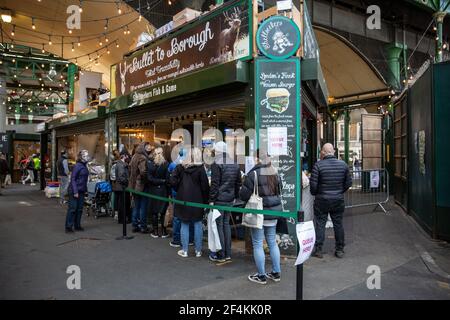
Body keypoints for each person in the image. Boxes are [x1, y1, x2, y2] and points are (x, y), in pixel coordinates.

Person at [239, 150, 283, 285]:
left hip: (258, 213)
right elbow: (280, 190)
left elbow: (243, 195)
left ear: (257, 158)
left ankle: (261, 275)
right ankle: (276, 272)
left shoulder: (253, 174)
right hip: (274, 213)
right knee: (272, 242)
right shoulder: (275, 172)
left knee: (257, 243)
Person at [310, 143, 352, 259]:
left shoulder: (318, 166)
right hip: (338, 200)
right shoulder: (343, 165)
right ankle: (339, 249)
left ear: (323, 152)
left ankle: (318, 249)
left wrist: (318, 193)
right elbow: (348, 183)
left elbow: (313, 187)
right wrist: (339, 191)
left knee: (320, 224)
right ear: (333, 152)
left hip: (321, 201)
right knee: (338, 224)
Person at [170, 148, 210, 258]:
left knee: (184, 224)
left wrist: (179, 188)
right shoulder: (201, 168)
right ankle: (198, 251)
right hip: (198, 200)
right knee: (197, 224)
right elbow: (205, 186)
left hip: (183, 198)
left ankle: (185, 250)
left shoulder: (180, 167)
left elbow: (172, 181)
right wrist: (206, 200)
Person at [209, 141, 241, 263]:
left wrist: (211, 200)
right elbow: (238, 182)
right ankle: (228, 253)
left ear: (217, 151)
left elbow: (215, 184)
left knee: (219, 225)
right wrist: (235, 196)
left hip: (219, 199)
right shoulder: (234, 163)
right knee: (226, 224)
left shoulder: (216, 163)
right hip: (230, 199)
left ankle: (221, 254)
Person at [168, 148, 195, 248]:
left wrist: (176, 189)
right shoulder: (192, 164)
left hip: (177, 194)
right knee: (191, 216)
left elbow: (171, 179)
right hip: (189, 194)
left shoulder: (173, 164)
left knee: (177, 217)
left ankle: (176, 240)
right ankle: (190, 239)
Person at [148, 146, 170, 238]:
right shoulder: (166, 164)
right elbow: (168, 179)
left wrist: (158, 181)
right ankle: (164, 231)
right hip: (163, 190)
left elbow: (149, 179)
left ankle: (155, 231)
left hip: (153, 190)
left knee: (154, 212)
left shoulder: (151, 164)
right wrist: (163, 182)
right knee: (163, 212)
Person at [65, 150, 90, 233]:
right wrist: (75, 191)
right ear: (81, 157)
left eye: (87, 155)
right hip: (74, 191)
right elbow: (73, 179)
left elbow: (84, 179)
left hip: (81, 191)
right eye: (85, 156)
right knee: (72, 209)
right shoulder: (78, 166)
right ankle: (68, 227)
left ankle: (77, 225)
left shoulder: (84, 166)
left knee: (79, 209)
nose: (87, 157)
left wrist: (85, 190)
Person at [129, 142, 151, 233]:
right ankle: (143, 226)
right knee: (143, 207)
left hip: (133, 185)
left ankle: (134, 225)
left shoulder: (134, 156)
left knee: (136, 206)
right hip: (141, 185)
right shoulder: (142, 157)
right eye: (146, 147)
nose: (148, 148)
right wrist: (146, 180)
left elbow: (130, 169)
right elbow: (143, 172)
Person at [111, 150, 131, 224]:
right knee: (123, 204)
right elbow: (121, 177)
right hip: (122, 187)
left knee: (123, 204)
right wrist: (128, 181)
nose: (128, 157)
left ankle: (122, 219)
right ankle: (122, 220)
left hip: (121, 187)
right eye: (127, 156)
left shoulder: (121, 164)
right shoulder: (120, 164)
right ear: (124, 156)